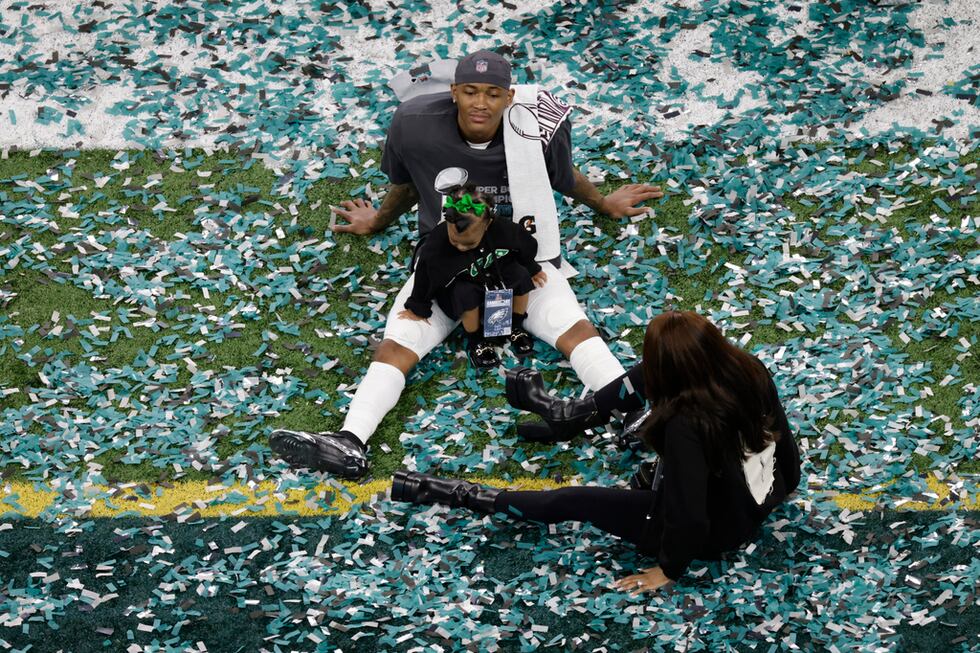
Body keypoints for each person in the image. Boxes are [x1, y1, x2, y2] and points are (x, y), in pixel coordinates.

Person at [269, 48, 663, 480]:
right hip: (447, 259)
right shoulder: (414, 124)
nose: (480, 102)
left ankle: (632, 411)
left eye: (492, 93)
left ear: (509, 97)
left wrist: (605, 203)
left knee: (573, 327)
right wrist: (378, 220)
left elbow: (562, 177)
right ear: (453, 92)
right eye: (470, 91)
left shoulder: (536, 124)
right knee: (399, 340)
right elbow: (407, 182)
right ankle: (349, 439)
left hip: (512, 257)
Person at [391, 311, 802, 592]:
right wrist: (789, 484)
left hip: (717, 528)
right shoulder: (748, 368)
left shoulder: (685, 426)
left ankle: (455, 493)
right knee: (641, 381)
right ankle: (565, 415)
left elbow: (689, 514)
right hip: (758, 494)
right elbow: (782, 435)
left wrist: (670, 568)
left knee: (574, 500)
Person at [400, 181, 547, 368]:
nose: (460, 247)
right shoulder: (437, 244)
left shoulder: (504, 230)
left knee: (520, 276)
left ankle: (515, 325)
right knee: (465, 294)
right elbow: (425, 273)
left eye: (468, 244)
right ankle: (476, 339)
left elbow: (526, 244)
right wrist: (417, 305)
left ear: (488, 224)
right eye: (455, 242)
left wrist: (532, 268)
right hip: (465, 283)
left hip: (498, 273)